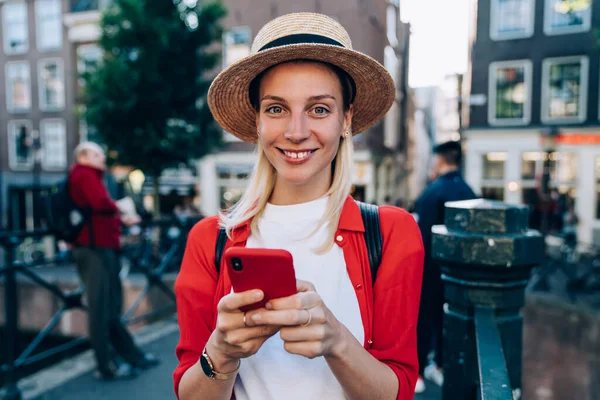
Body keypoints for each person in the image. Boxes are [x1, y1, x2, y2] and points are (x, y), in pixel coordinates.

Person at [174, 13, 424, 400]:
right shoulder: (209, 240)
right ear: (257, 119)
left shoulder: (392, 232)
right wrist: (221, 353)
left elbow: (398, 391)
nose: (296, 131)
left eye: (319, 109)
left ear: (347, 118)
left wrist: (336, 340)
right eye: (276, 108)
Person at [68, 142, 159, 380]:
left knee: (107, 308)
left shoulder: (92, 175)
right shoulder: (84, 174)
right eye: (97, 154)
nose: (102, 158)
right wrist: (120, 209)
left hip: (101, 247)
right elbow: (99, 203)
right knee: (101, 309)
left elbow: (97, 210)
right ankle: (106, 366)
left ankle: (128, 356)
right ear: (84, 156)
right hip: (94, 248)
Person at [414, 141, 477, 393]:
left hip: (430, 269)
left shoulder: (432, 193)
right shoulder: (470, 193)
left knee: (424, 317)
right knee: (448, 317)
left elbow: (422, 237)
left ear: (439, 160)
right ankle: (440, 365)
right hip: (460, 272)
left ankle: (416, 370)